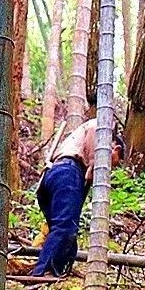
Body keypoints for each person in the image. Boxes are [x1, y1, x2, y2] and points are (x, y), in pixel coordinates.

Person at [31, 118, 100, 276]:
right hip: (67, 173)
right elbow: (94, 127)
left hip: (54, 174)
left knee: (65, 229)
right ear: (114, 148)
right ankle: (43, 272)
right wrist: (93, 163)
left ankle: (58, 270)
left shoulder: (78, 139)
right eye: (115, 160)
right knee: (65, 227)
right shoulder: (99, 126)